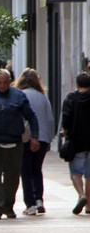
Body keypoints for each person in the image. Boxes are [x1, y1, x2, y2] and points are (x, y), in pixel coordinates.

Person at [0, 69, 40, 219]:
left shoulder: (19, 96)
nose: (2, 85)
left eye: (5, 82)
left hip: (15, 142)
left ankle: (8, 206)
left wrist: (34, 137)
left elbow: (31, 117)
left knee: (13, 176)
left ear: (10, 81)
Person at [13, 68, 54, 215]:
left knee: (26, 170)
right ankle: (39, 200)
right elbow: (49, 118)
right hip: (42, 138)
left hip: (25, 138)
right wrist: (49, 138)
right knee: (37, 170)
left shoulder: (19, 95)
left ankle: (30, 203)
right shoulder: (43, 96)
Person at [61, 72, 90, 215]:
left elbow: (66, 118)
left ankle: (81, 195)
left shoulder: (71, 99)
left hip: (76, 140)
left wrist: (65, 131)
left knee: (76, 172)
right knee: (89, 174)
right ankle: (89, 205)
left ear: (77, 84)